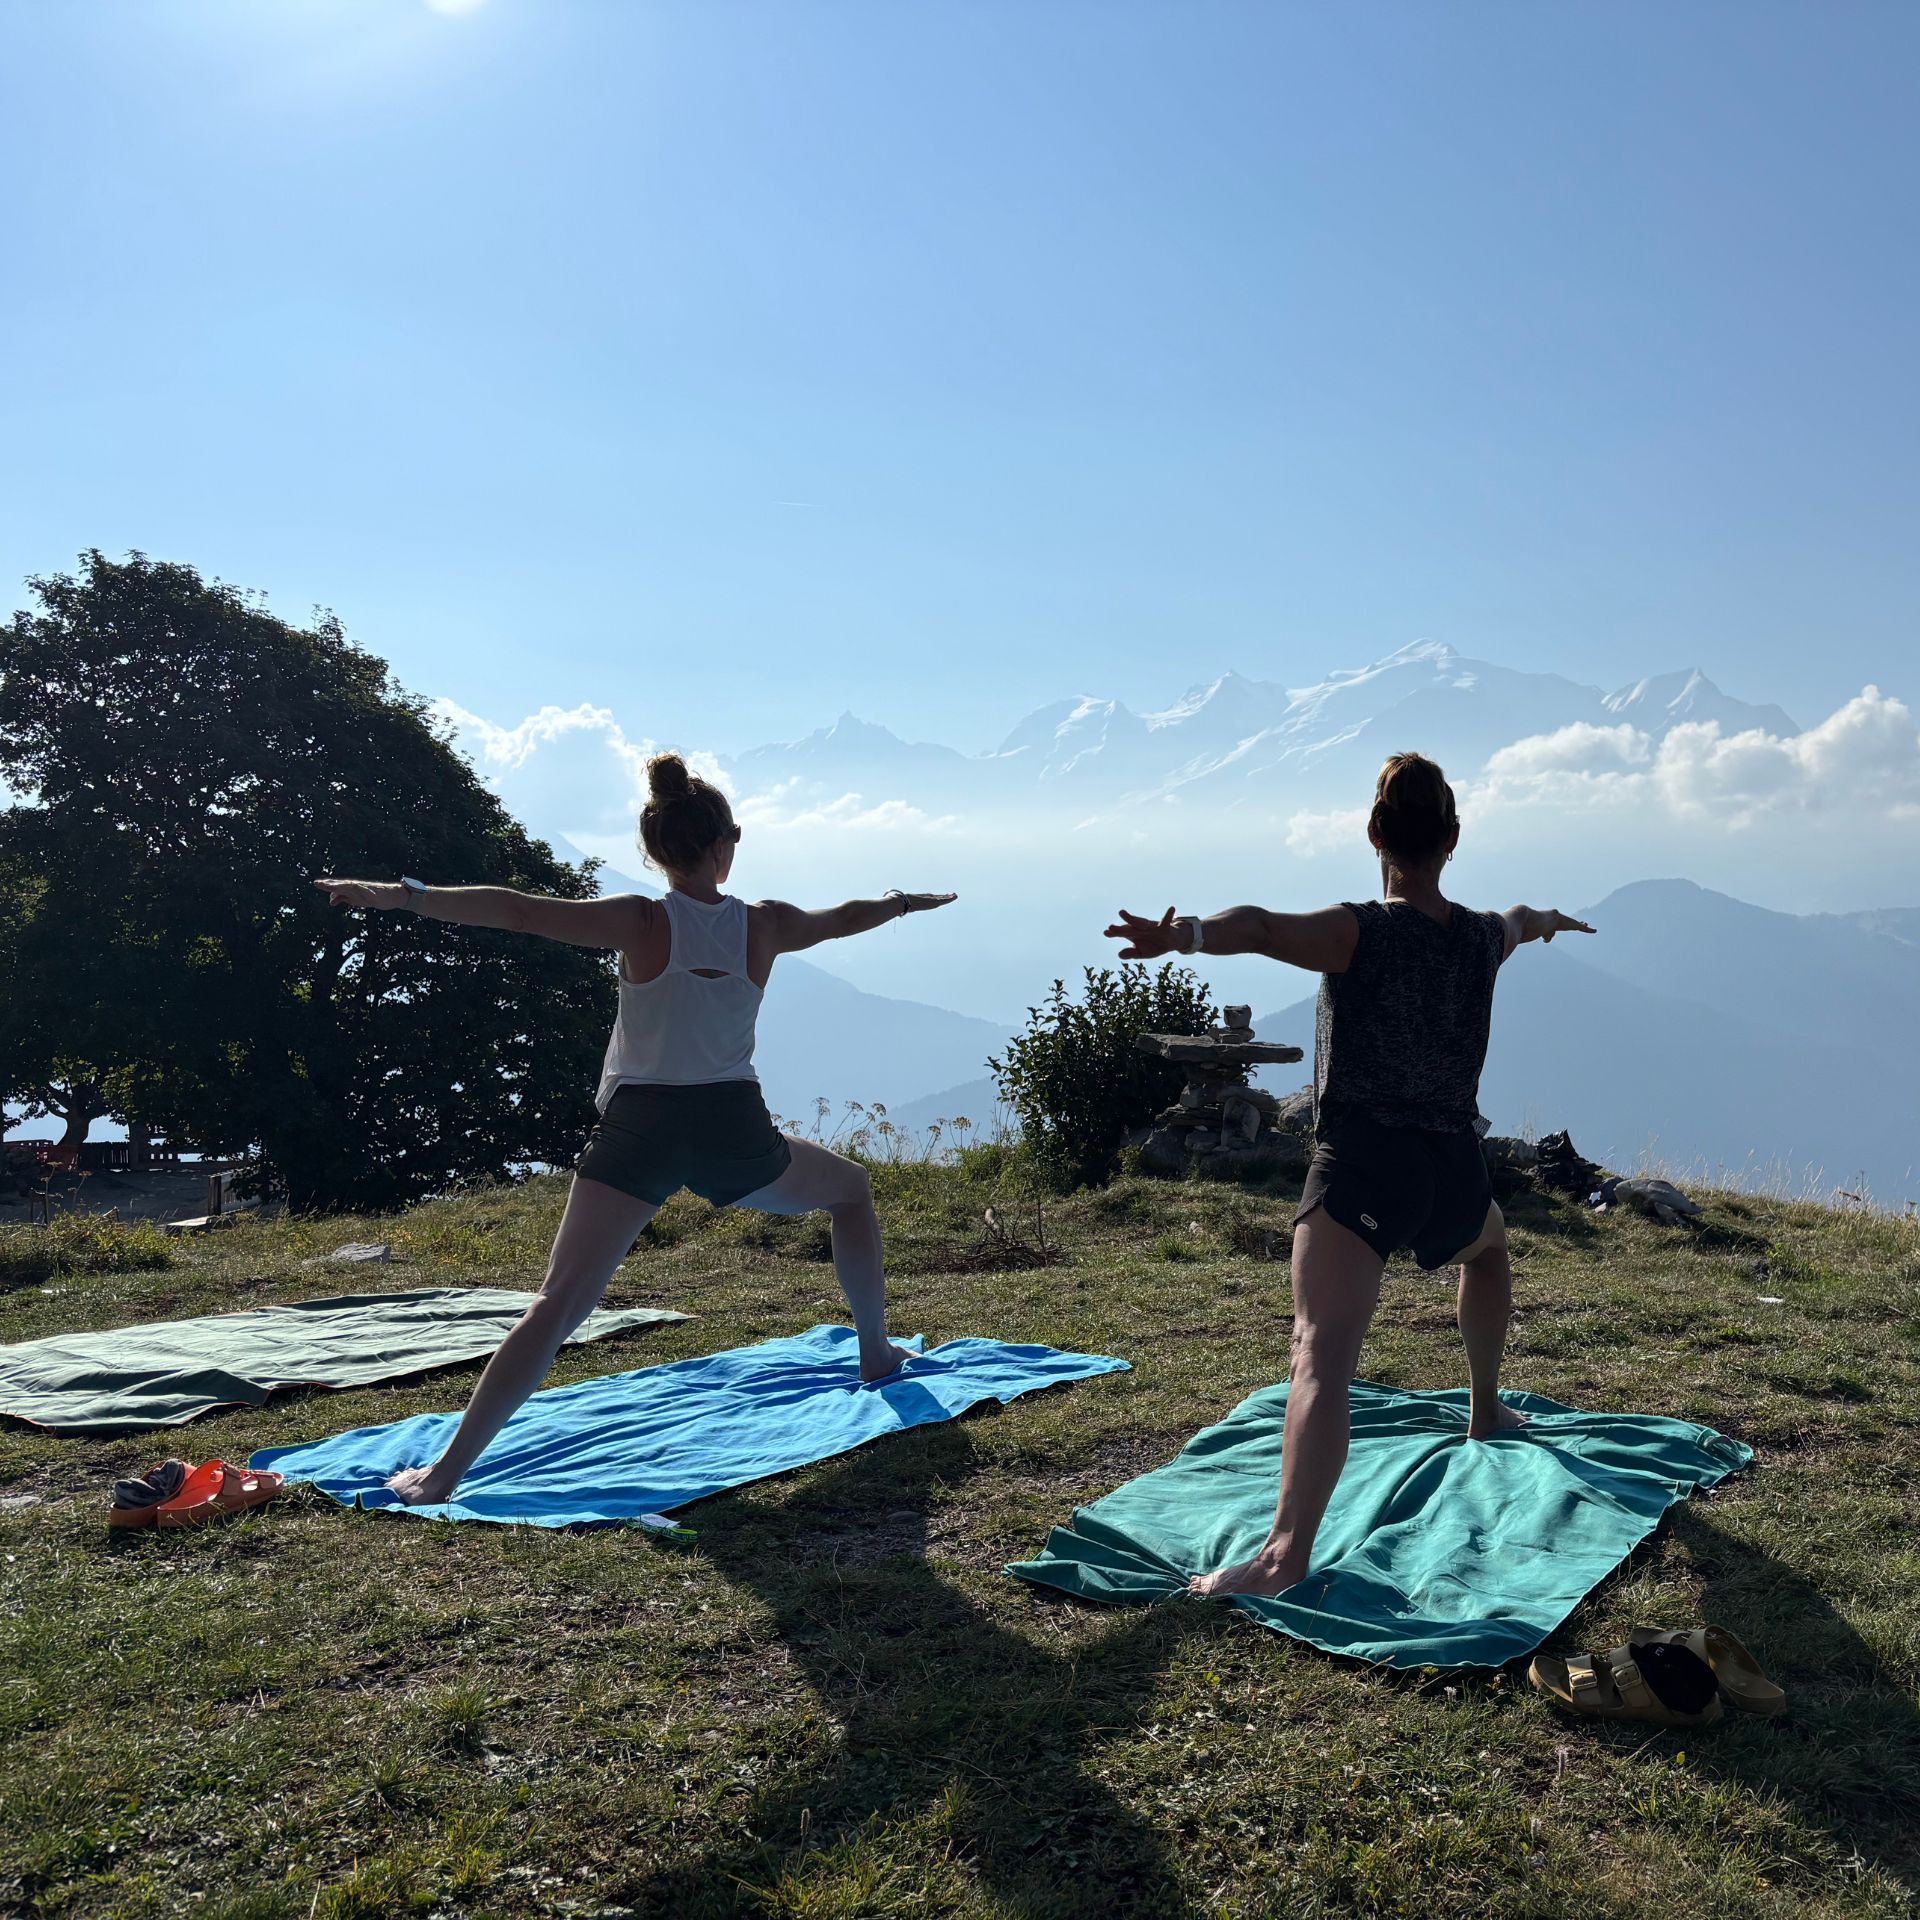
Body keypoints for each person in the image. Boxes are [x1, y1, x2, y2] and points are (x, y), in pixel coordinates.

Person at [314, 752, 956, 1505]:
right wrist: (904, 901)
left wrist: (399, 895)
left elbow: (517, 909)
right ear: (724, 845)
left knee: (557, 1304)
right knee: (850, 1191)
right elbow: (848, 917)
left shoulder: (639, 919)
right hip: (730, 1126)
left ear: (654, 851)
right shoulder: (767, 925)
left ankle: (444, 1475)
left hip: (639, 1129)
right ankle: (876, 1355)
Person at [1104, 751, 1593, 1599]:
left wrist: (1179, 937)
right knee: (1490, 1251)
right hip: (1449, 1165)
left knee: (1320, 1356)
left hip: (1365, 1167)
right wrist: (1553, 919)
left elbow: (1257, 927)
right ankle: (1485, 1407)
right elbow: (1520, 918)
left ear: (1375, 835)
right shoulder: (1481, 937)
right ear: (1453, 838)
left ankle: (1282, 1559)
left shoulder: (1359, 931)